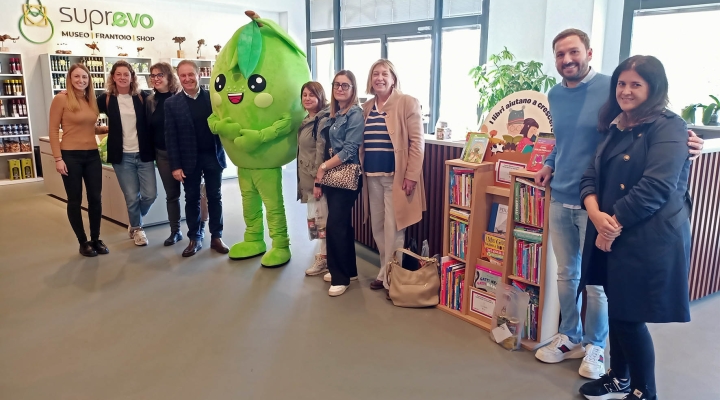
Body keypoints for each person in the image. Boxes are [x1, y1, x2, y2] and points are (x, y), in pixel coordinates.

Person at [533, 29, 704, 381]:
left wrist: (686, 140)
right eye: (560, 54)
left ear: (589, 52)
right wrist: (550, 162)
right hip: (565, 194)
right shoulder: (554, 93)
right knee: (567, 275)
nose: (567, 60)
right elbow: (566, 140)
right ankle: (570, 336)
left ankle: (597, 345)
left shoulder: (613, 89)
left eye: (574, 52)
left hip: (604, 205)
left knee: (598, 284)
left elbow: (653, 121)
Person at [577, 55, 691, 400]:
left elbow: (656, 187)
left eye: (635, 84)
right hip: (610, 230)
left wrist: (611, 226)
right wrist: (596, 215)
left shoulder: (670, 126)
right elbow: (590, 176)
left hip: (646, 237)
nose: (626, 91)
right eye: (621, 84)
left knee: (629, 316)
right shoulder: (617, 124)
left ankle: (644, 393)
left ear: (653, 88)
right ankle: (619, 377)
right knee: (619, 306)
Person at [360, 59, 425, 292]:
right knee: (377, 226)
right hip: (371, 176)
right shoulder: (367, 107)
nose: (379, 78)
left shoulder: (407, 102)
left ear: (393, 78)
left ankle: (391, 278)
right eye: (375, 73)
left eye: (384, 74)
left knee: (394, 227)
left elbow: (418, 142)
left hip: (396, 178)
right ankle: (384, 269)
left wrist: (411, 175)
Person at [164, 60, 229, 257]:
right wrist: (175, 166)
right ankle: (195, 237)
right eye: (183, 76)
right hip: (187, 160)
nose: (187, 79)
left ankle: (216, 236)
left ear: (198, 74)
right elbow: (170, 137)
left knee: (215, 197)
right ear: (178, 77)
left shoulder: (213, 99)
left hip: (212, 156)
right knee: (191, 198)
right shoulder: (171, 103)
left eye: (190, 74)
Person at [48, 63, 110, 257]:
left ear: (89, 79)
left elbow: (88, 127)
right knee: (75, 199)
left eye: (84, 77)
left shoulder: (91, 100)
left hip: (92, 155)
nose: (81, 80)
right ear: (70, 78)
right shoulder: (61, 98)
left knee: (95, 199)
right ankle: (83, 242)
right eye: (77, 77)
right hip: (70, 155)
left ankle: (95, 239)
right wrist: (58, 158)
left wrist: (107, 129)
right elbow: (52, 130)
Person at [146, 62, 209, 246]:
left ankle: (199, 229)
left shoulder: (182, 97)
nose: (156, 79)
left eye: (160, 75)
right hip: (164, 154)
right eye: (153, 76)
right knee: (172, 195)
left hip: (189, 153)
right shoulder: (149, 100)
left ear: (169, 77)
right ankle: (175, 231)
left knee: (197, 194)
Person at [98, 60, 156, 246]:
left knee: (150, 195)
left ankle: (134, 219)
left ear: (132, 77)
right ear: (113, 77)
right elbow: (84, 106)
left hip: (144, 154)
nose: (122, 77)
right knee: (131, 196)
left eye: (126, 74)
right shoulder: (105, 99)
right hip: (122, 157)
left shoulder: (143, 97)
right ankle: (138, 229)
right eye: (118, 74)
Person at [316, 70, 364, 297]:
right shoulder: (334, 113)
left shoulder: (355, 114)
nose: (340, 89)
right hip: (334, 177)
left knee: (335, 225)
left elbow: (350, 149)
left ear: (353, 89)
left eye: (345, 85)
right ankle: (349, 270)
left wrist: (323, 167)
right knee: (341, 224)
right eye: (337, 85)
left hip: (347, 174)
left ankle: (340, 277)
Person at [298, 81, 331, 276]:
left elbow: (320, 151)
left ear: (320, 97)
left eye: (312, 95)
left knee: (322, 220)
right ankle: (322, 256)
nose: (308, 98)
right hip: (308, 179)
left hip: (317, 179)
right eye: (304, 95)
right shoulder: (306, 119)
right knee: (316, 221)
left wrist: (318, 180)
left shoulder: (322, 120)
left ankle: (324, 259)